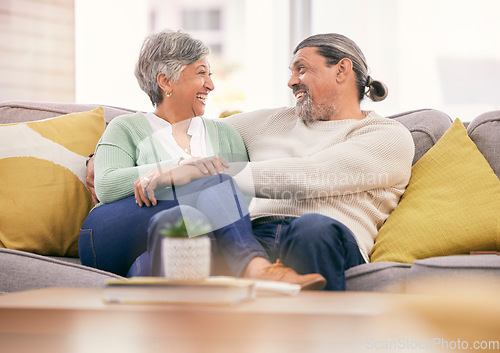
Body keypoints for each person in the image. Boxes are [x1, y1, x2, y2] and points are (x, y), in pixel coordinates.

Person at [79, 29, 327, 290]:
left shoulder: (226, 133)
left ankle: (147, 295)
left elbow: (240, 204)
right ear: (165, 81)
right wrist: (178, 171)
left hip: (183, 240)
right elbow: (105, 185)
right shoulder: (126, 127)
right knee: (212, 183)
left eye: (210, 74)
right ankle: (254, 266)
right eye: (201, 73)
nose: (210, 85)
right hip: (110, 234)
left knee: (181, 230)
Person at [221, 33, 415, 290]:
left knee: (312, 227)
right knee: (193, 218)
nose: (291, 82)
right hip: (249, 240)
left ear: (342, 69)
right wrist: (157, 174)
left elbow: (311, 177)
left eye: (301, 69)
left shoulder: (387, 135)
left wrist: (216, 173)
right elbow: (188, 135)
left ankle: (319, 329)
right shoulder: (268, 122)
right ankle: (253, 272)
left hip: (324, 238)